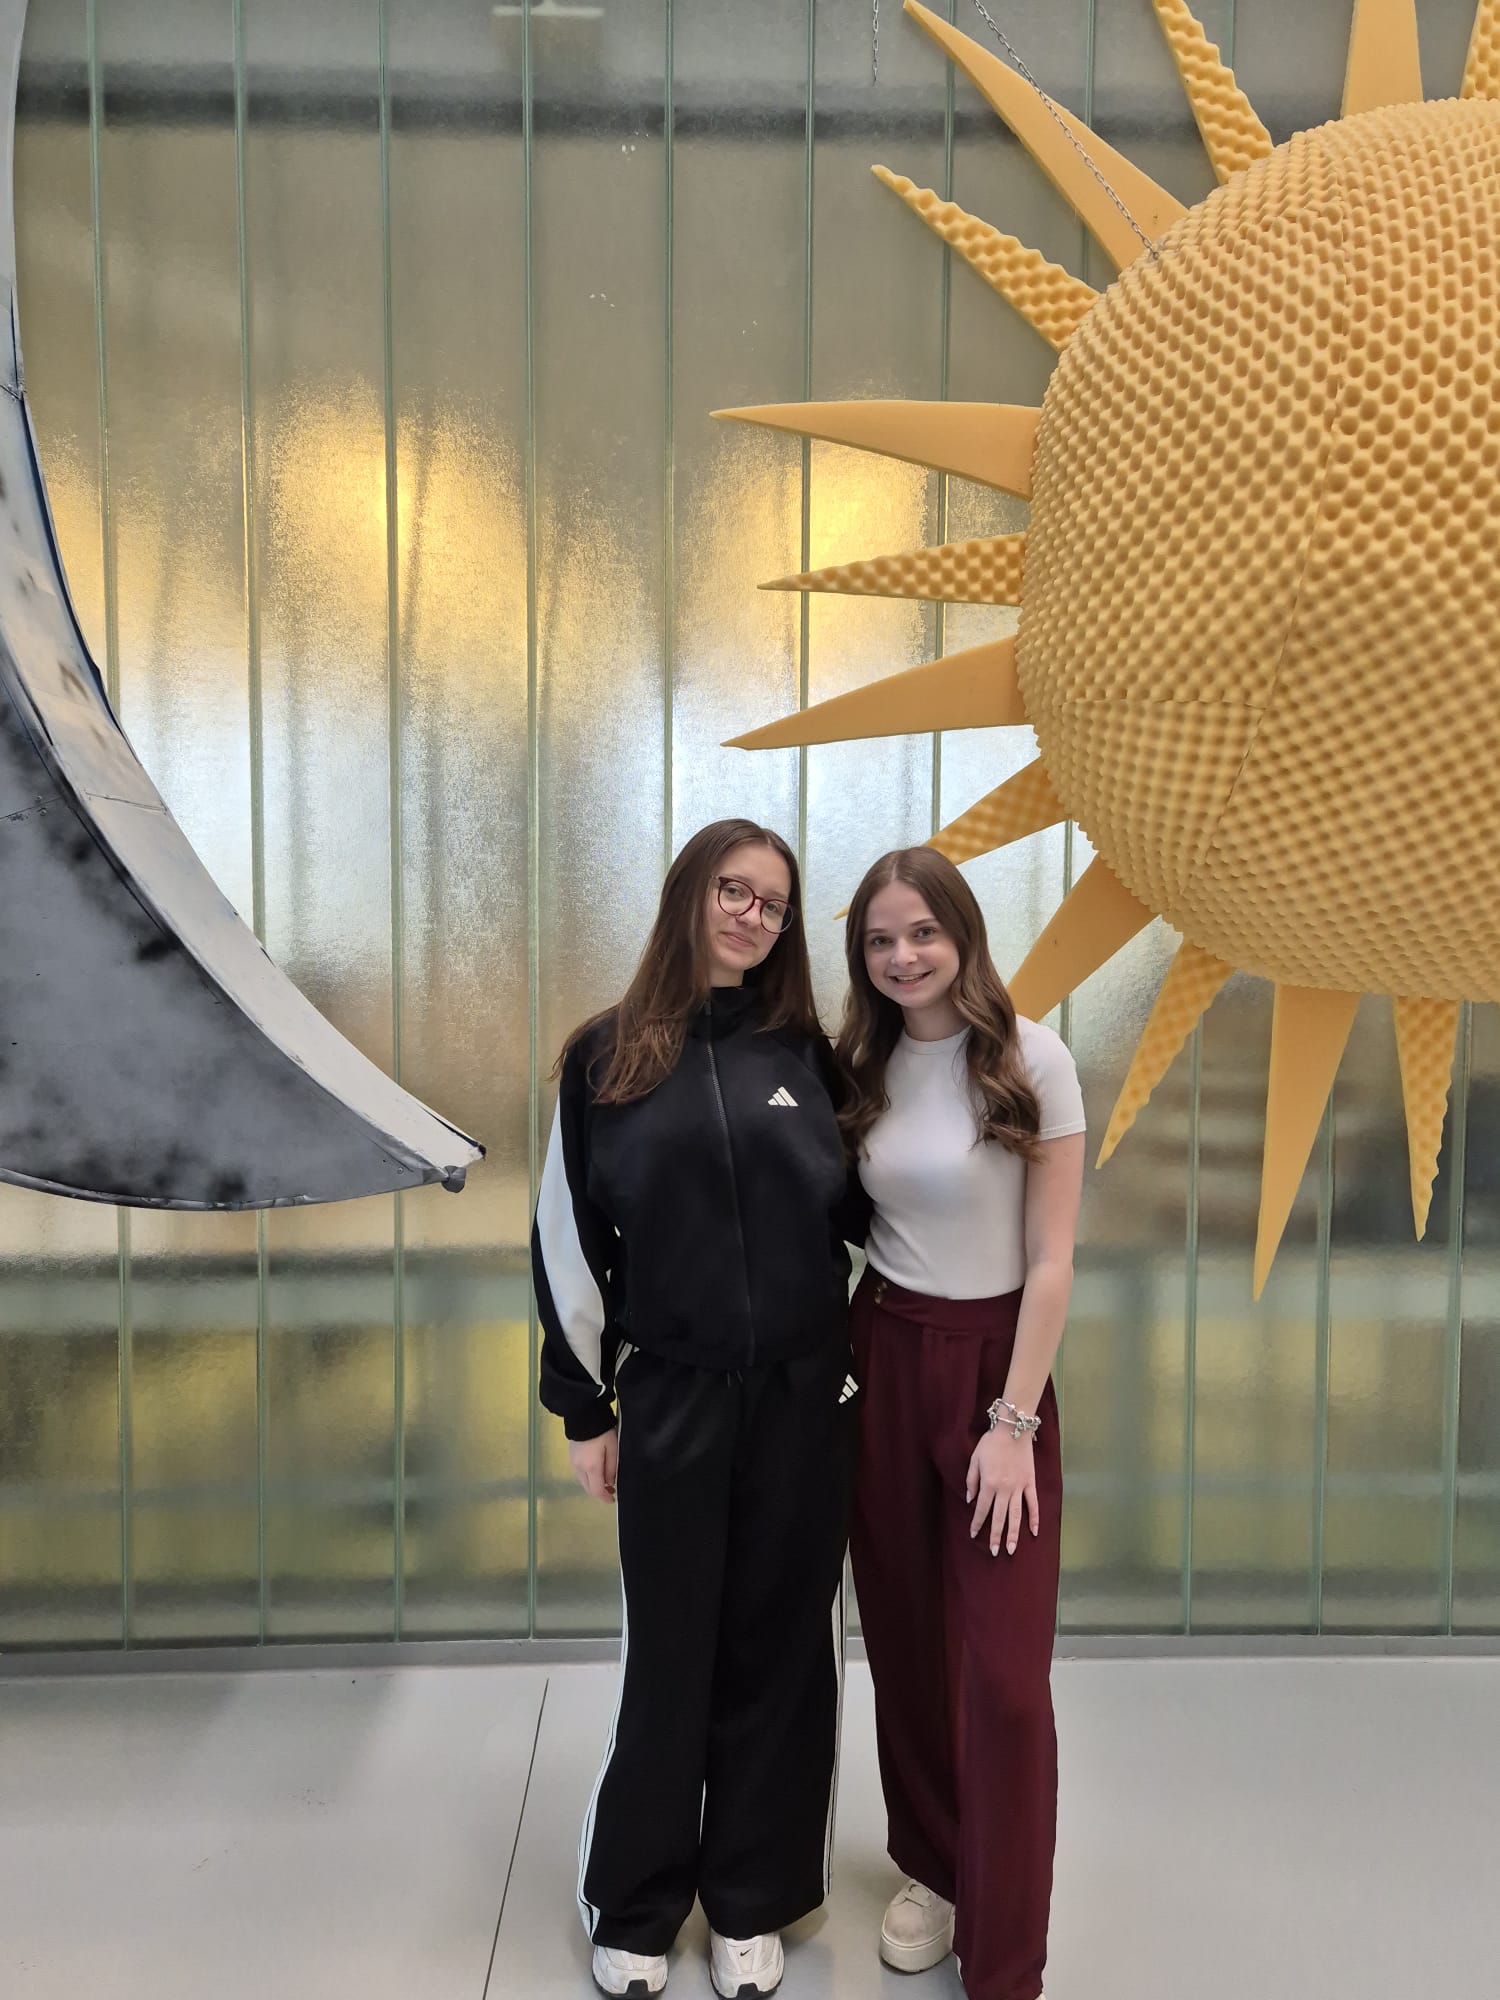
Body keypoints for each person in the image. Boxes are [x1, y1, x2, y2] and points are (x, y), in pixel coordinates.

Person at [532, 818, 861, 2000]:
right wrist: (584, 1404)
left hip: (804, 1398)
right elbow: (567, 1238)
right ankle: (637, 1901)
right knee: (670, 1651)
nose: (751, 915)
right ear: (689, 893)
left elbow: (875, 1215)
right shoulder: (605, 1057)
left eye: (773, 902)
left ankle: (752, 1896)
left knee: (782, 1645)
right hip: (671, 1392)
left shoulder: (809, 1056)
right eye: (733, 889)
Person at [835, 846, 1086, 2000]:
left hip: (997, 1372)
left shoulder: (1034, 1058)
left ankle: (1007, 1955)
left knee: (1006, 1679)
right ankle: (934, 1864)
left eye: (923, 931)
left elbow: (1052, 1259)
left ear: (963, 933)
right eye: (880, 939)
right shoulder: (862, 1064)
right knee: (905, 1642)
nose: (903, 955)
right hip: (884, 1351)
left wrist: (1013, 1421)